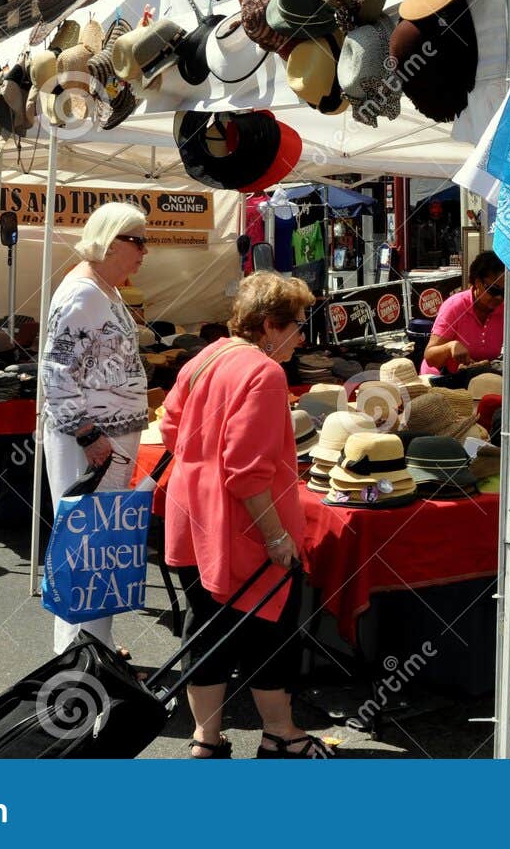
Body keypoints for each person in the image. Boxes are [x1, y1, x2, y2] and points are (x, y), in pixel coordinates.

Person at [160, 271, 330, 759]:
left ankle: (206, 740)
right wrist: (276, 536)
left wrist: (203, 464)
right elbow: (248, 473)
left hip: (193, 514)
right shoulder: (264, 372)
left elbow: (171, 428)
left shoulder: (206, 355)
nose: (302, 336)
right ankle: (281, 733)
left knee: (208, 627)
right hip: (242, 525)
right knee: (266, 631)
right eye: (298, 325)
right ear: (272, 326)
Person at [40, 202, 151, 655]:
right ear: (111, 240)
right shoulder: (85, 293)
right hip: (90, 441)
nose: (145, 251)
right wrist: (87, 433)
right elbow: (55, 370)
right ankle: (75, 657)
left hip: (105, 438)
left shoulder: (104, 288)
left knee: (101, 544)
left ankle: (96, 647)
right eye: (138, 241)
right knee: (86, 543)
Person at [420, 250, 510, 375]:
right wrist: (450, 347)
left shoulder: (506, 309)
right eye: (494, 290)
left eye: (504, 292)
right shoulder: (455, 306)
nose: (499, 297)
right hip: (441, 378)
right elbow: (430, 356)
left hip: (476, 379)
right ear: (477, 282)